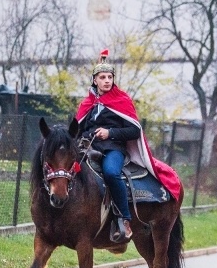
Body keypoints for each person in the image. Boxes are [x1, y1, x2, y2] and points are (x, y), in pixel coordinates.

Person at [76, 49, 182, 243]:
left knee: (110, 172)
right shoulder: (87, 104)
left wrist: (110, 133)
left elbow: (134, 131)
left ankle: (124, 218)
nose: (107, 80)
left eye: (109, 77)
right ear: (95, 81)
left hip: (113, 149)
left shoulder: (121, 100)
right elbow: (77, 128)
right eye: (102, 77)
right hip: (88, 148)